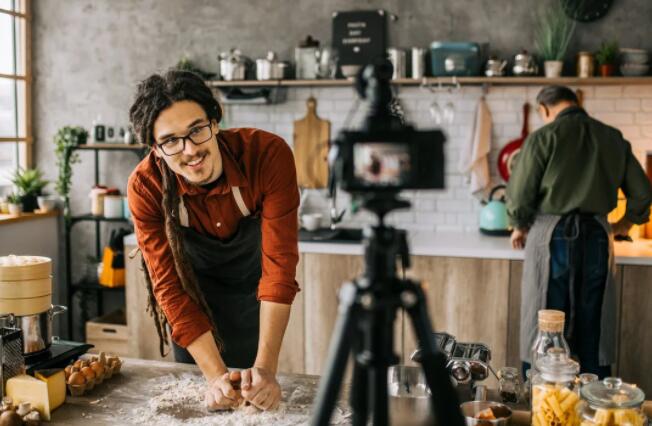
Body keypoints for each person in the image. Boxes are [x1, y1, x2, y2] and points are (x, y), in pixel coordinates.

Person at [127, 70, 300, 411]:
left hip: (257, 297)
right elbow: (169, 287)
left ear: (216, 121)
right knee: (206, 408)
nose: (190, 150)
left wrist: (265, 369)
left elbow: (279, 268)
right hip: (192, 309)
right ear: (155, 148)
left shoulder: (266, 155)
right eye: (171, 141)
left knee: (259, 405)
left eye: (196, 130)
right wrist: (215, 377)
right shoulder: (145, 187)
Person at [507, 85, 652, 378]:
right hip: (598, 237)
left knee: (546, 322)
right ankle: (594, 410)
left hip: (551, 236)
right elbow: (642, 194)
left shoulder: (543, 137)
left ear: (544, 109)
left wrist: (519, 226)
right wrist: (622, 225)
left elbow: (519, 198)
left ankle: (544, 409)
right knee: (593, 324)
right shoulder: (612, 137)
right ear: (575, 102)